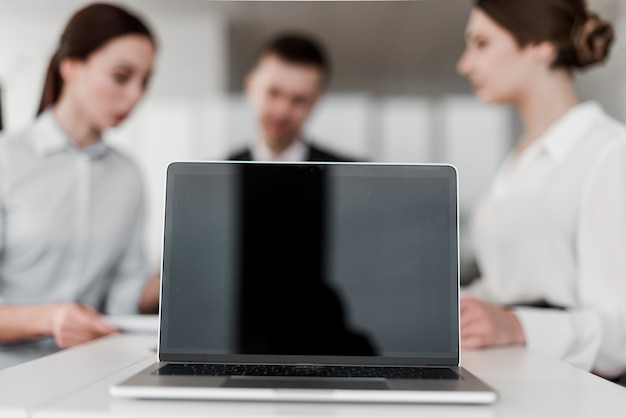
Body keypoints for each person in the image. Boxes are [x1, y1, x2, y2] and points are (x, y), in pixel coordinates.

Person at [456, 0, 626, 380]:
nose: (465, 64)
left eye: (481, 44)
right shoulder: (519, 161)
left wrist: (517, 326)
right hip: (517, 378)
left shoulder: (609, 153)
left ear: (541, 45)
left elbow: (621, 332)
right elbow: (511, 284)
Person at [0, 3, 160, 369]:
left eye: (145, 81)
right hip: (9, 375)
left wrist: (189, 274)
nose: (136, 95)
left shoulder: (128, 174)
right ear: (70, 67)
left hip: (93, 369)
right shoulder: (6, 159)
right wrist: (50, 319)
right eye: (122, 76)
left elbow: (123, 291)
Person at [228, 33, 353, 162]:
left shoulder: (348, 174)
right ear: (250, 87)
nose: (282, 111)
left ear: (315, 102)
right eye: (273, 93)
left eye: (299, 100)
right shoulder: (215, 176)